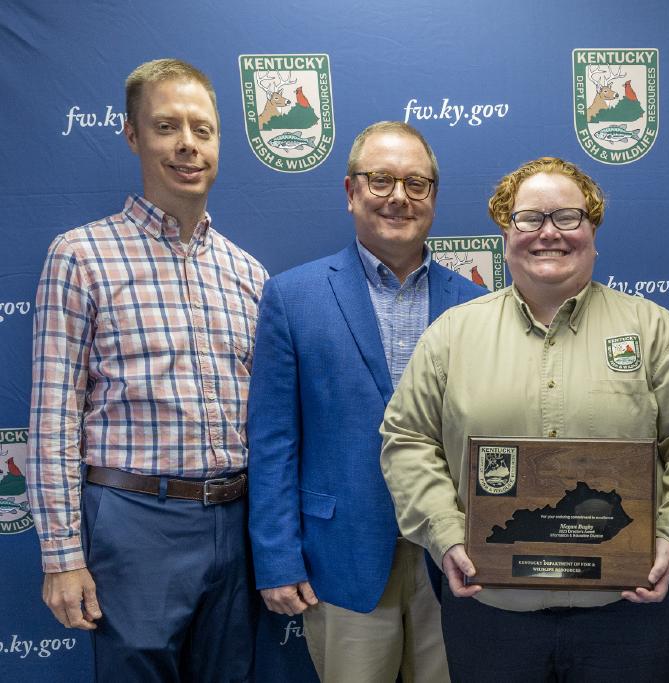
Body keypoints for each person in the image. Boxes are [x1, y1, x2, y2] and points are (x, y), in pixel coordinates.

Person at [380, 156, 669, 682]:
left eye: (567, 217)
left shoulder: (657, 332)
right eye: (529, 218)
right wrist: (447, 535)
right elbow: (407, 439)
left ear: (592, 230)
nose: (548, 233)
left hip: (629, 615)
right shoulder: (452, 337)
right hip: (490, 613)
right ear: (506, 232)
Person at [27, 58, 266, 680]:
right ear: (133, 135)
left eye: (203, 130)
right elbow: (53, 419)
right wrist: (61, 556)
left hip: (236, 522)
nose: (188, 144)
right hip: (134, 524)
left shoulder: (248, 273)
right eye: (167, 127)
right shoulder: (81, 256)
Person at [246, 121, 485, 682]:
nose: (398, 196)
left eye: (415, 183)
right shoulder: (292, 296)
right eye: (380, 181)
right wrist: (278, 558)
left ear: (433, 198)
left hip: (454, 561)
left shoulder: (476, 305)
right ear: (350, 192)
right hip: (341, 555)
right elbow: (274, 439)